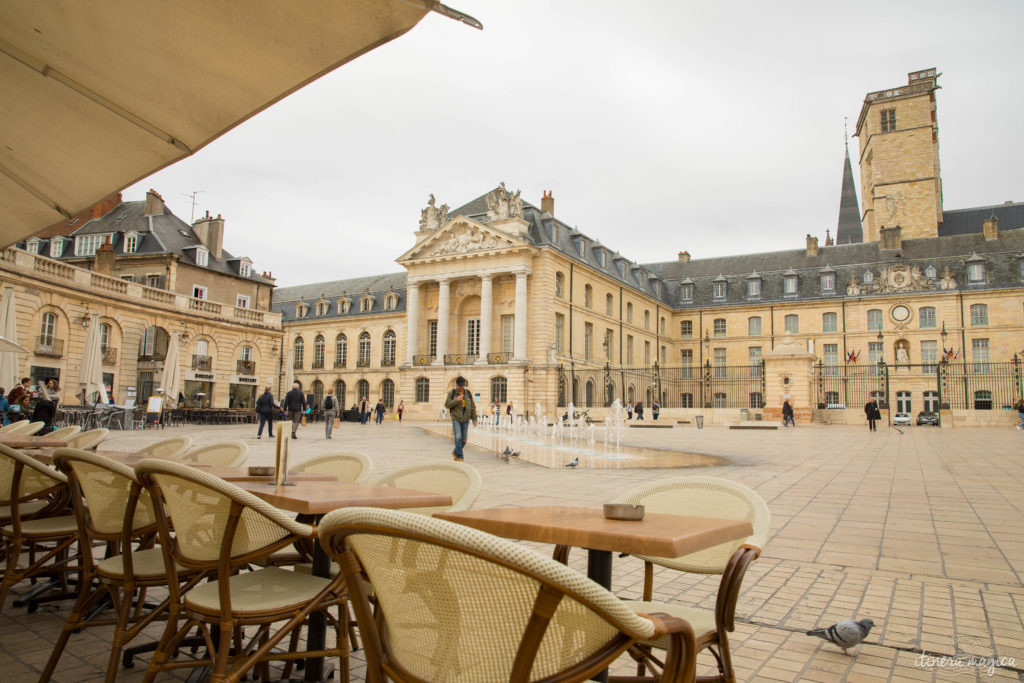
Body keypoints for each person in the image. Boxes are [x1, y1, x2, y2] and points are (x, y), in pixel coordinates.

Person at [445, 376, 477, 461]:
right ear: (456, 384)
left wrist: (474, 419)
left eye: (462, 386)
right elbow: (447, 404)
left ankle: (456, 451)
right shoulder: (452, 393)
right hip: (456, 419)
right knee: (458, 437)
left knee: (464, 440)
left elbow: (473, 407)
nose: (461, 387)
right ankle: (460, 457)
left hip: (466, 419)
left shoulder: (468, 393)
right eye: (459, 386)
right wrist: (456, 400)